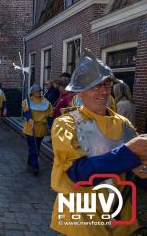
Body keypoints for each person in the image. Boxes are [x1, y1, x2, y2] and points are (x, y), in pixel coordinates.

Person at [50, 55, 147, 235]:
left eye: (107, 84)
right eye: (96, 85)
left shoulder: (124, 123)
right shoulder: (66, 124)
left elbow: (139, 172)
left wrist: (141, 168)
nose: (104, 92)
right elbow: (79, 173)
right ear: (80, 91)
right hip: (80, 217)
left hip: (118, 216)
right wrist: (129, 152)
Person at [22, 83, 53, 176]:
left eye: (39, 91)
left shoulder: (46, 102)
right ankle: (35, 166)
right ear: (32, 92)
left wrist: (51, 125)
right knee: (33, 146)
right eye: (36, 91)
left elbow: (50, 115)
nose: (38, 92)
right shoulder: (27, 101)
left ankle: (30, 159)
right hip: (31, 128)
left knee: (37, 146)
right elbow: (26, 112)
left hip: (41, 128)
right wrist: (29, 118)